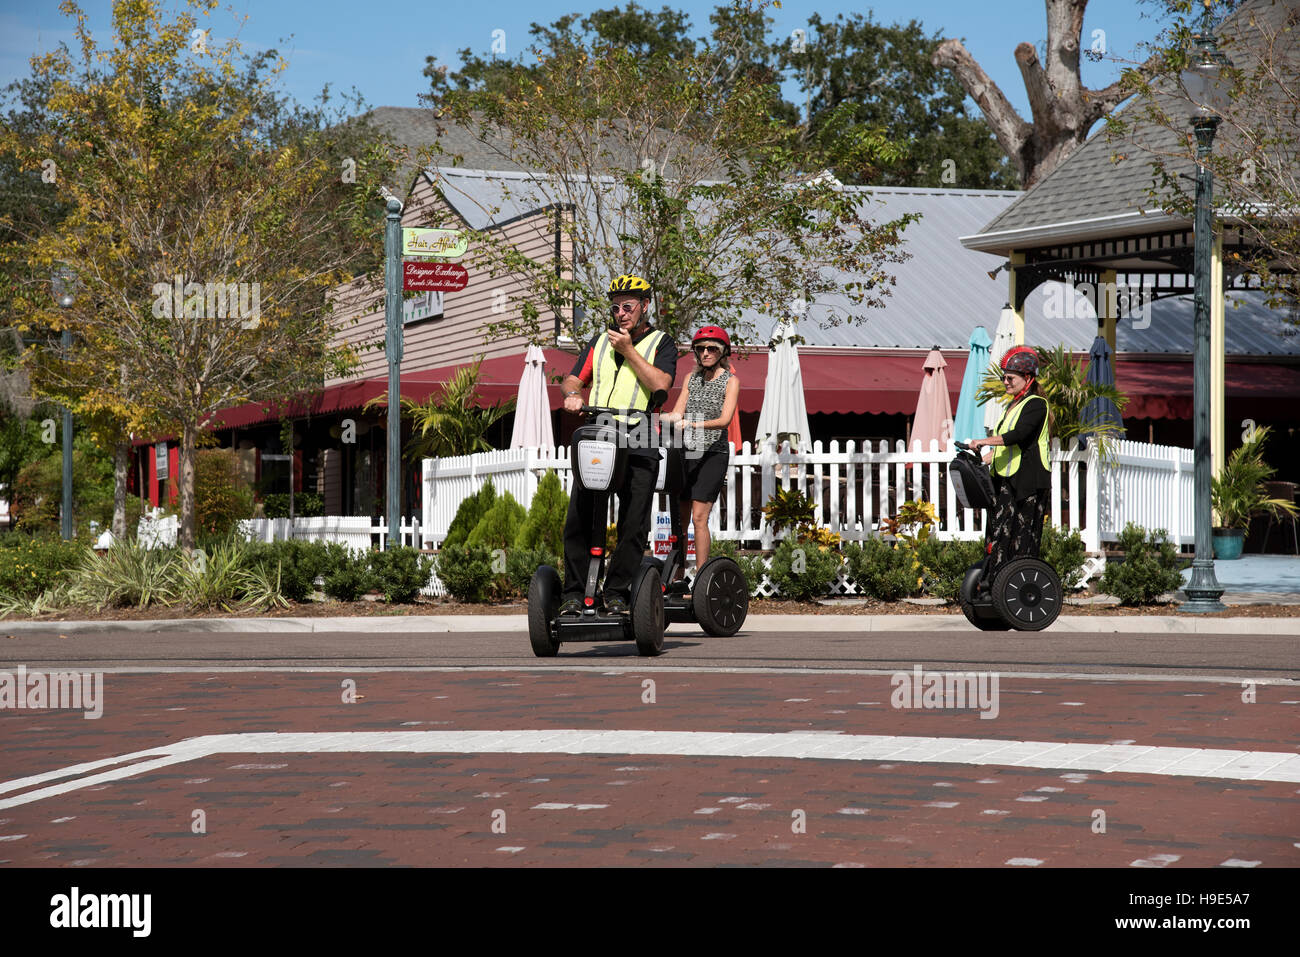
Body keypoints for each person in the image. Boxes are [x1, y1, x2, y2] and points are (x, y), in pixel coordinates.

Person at [557, 274, 678, 615]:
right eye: (615, 307)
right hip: (600, 432)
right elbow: (572, 378)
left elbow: (660, 387)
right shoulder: (598, 342)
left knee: (633, 522)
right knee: (580, 516)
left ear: (644, 307)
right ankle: (573, 594)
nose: (621, 313)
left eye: (628, 306)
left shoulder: (662, 343)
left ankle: (617, 593)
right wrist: (571, 394)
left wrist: (627, 349)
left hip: (639, 436)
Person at [661, 325, 740, 594]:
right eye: (701, 349)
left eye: (711, 349)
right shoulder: (690, 378)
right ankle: (678, 577)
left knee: (698, 518)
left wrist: (692, 424)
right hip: (687, 452)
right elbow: (677, 411)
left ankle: (703, 581)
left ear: (723, 352)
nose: (705, 353)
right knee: (679, 519)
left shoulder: (730, 381)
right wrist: (654, 417)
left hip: (713, 454)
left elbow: (724, 420)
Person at [965, 346, 1051, 590]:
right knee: (999, 533)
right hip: (1007, 481)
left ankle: (1017, 586)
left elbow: (1018, 436)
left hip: (1029, 483)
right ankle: (995, 582)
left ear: (1028, 378)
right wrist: (982, 458)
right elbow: (1005, 448)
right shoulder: (1012, 406)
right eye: (1004, 376)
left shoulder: (1036, 404)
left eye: (1010, 377)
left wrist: (983, 441)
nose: (1005, 381)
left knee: (1022, 537)